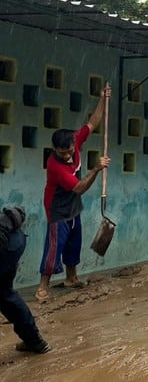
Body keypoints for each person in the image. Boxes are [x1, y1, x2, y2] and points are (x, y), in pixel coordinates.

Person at [35, 86, 112, 302]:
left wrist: (102, 100)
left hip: (73, 205)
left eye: (70, 151)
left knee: (73, 243)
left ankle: (72, 278)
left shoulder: (75, 140)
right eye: (63, 153)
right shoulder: (55, 167)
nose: (68, 155)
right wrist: (96, 169)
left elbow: (93, 123)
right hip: (57, 209)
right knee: (53, 248)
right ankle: (42, 287)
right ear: (55, 150)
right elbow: (80, 187)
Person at [0, 206, 51, 353]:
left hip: (8, 244)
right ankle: (34, 341)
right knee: (5, 294)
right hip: (13, 240)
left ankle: (34, 341)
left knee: (4, 293)